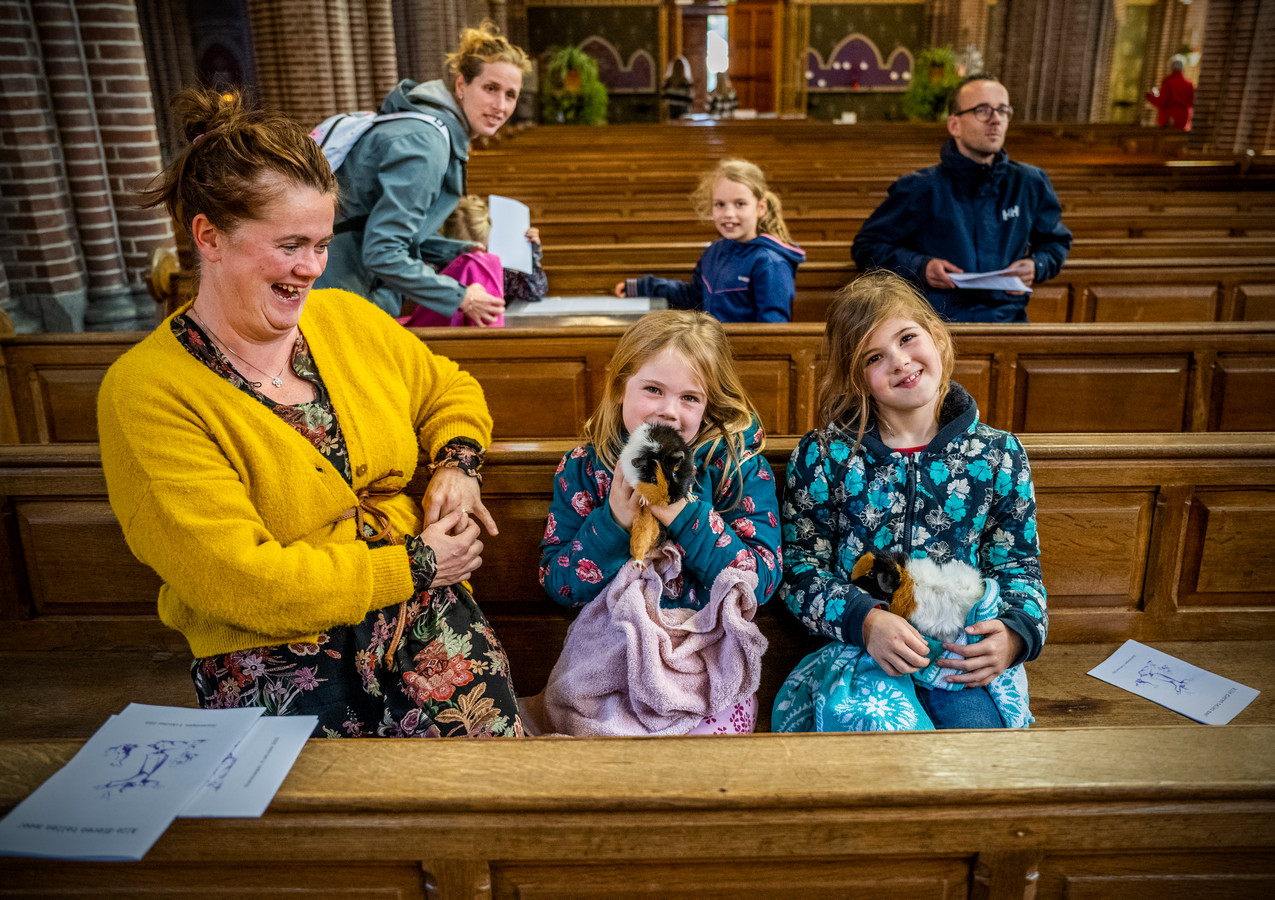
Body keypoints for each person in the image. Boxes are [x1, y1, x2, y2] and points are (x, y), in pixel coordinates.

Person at [99, 86, 524, 739]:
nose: (310, 269)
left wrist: (458, 462)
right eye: (290, 244)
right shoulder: (149, 390)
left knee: (484, 776)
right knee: (341, 820)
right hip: (274, 642)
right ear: (209, 237)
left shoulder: (345, 317)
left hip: (419, 605)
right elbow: (236, 579)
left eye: (322, 244)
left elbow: (449, 387)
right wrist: (414, 563)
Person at [771, 271, 1046, 732]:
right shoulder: (825, 455)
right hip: (862, 653)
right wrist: (863, 621)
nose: (899, 362)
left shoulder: (998, 455)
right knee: (881, 772)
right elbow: (798, 566)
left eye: (907, 338)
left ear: (936, 337)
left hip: (961, 663)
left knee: (978, 768)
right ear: (856, 378)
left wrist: (1016, 636)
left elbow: (1019, 566)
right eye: (874, 357)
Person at [538, 309, 782, 731]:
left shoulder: (735, 468)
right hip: (611, 655)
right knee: (592, 744)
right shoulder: (581, 468)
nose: (669, 411)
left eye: (690, 397)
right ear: (619, 388)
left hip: (706, 659)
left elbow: (760, 579)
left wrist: (685, 513)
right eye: (653, 389)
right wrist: (613, 521)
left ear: (708, 405)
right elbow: (559, 584)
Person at [315, 21, 531, 325]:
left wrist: (460, 250)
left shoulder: (425, 127)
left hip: (336, 282)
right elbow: (382, 252)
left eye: (511, 95)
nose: (500, 105)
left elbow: (377, 226)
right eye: (490, 88)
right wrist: (463, 297)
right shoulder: (426, 144)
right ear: (461, 85)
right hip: (340, 294)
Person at [851, 74, 1072, 323]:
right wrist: (921, 266)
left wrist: (1037, 265)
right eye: (982, 110)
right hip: (937, 324)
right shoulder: (920, 188)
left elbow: (1056, 242)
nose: (996, 119)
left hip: (1008, 321)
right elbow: (867, 246)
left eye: (1003, 110)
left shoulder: (1029, 183)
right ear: (954, 125)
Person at [613, 159, 805, 322]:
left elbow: (774, 330)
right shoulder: (714, 251)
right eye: (720, 204)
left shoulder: (770, 263)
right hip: (713, 354)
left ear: (760, 208)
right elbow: (692, 297)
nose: (728, 214)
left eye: (740, 204)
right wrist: (642, 287)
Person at [443, 194, 549, 304]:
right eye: (467, 250)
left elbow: (536, 292)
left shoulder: (501, 268)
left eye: (483, 249)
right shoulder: (438, 266)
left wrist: (530, 255)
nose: (476, 255)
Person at [1146, 54, 1194, 131]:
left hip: (1169, 119)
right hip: (1184, 119)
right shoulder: (1189, 84)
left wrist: (1150, 96)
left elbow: (1162, 101)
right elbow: (1191, 102)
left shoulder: (1168, 82)